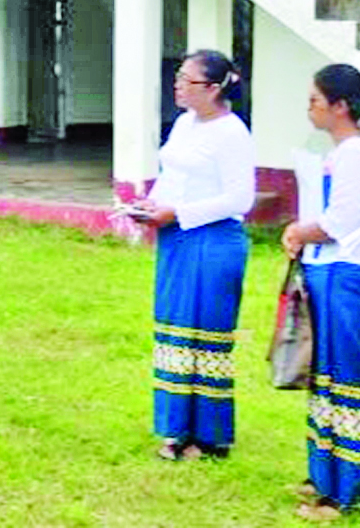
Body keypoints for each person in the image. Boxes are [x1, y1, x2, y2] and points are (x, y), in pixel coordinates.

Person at [282, 64, 360, 521]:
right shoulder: (340, 153)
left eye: (315, 99)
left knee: (352, 383)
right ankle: (326, 480)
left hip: (347, 277)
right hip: (325, 273)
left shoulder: (357, 154)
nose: (308, 108)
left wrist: (299, 230)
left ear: (341, 106)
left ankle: (355, 494)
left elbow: (339, 223)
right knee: (326, 379)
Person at [135, 50, 255, 461]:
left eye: (188, 80)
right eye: (178, 77)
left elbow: (240, 198)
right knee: (175, 330)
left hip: (213, 240)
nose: (179, 86)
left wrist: (180, 213)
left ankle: (209, 436)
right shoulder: (184, 124)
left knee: (206, 335)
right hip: (177, 238)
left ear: (214, 88)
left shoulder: (232, 133)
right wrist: (151, 205)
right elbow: (173, 176)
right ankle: (176, 428)